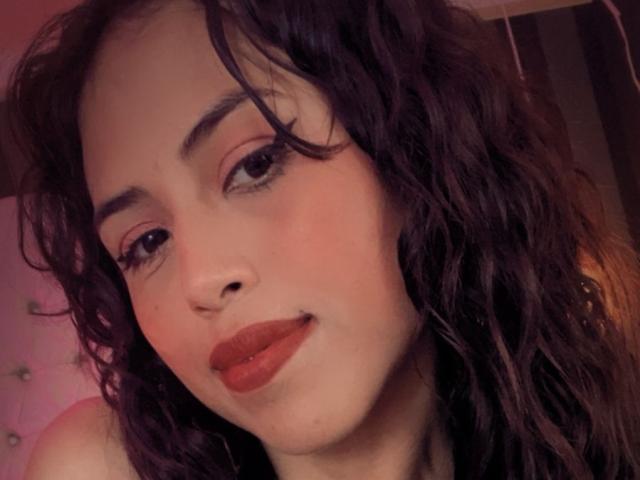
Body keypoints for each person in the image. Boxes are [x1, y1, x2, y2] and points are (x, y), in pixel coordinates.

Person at [7, 0, 640, 478]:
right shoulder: (96, 468)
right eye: (146, 242)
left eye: (255, 164)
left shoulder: (600, 436)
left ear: (410, 147)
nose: (200, 280)